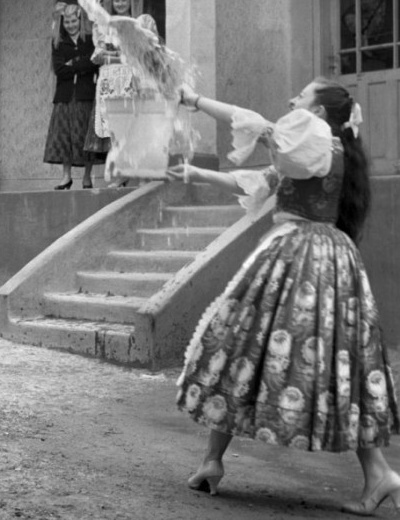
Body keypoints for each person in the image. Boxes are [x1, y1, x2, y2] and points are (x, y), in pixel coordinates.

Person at [168, 78, 400, 515]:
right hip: (326, 258)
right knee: (317, 359)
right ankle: (376, 473)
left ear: (321, 113)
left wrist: (195, 100)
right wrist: (196, 173)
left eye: (303, 96)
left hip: (301, 256)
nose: (293, 99)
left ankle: (214, 459)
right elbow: (259, 181)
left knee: (244, 347)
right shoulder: (319, 152)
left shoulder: (314, 142)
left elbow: (253, 124)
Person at [86, 0, 142, 185]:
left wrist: (119, 56)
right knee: (113, 126)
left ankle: (129, 170)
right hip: (110, 79)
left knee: (128, 124)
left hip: (129, 78)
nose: (120, 2)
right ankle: (119, 171)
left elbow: (137, 53)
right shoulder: (104, 25)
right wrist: (116, 55)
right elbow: (97, 55)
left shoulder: (135, 24)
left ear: (129, 1)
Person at [43, 2, 99, 189]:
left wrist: (73, 63)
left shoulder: (90, 40)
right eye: (66, 21)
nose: (70, 25)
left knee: (86, 136)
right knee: (64, 135)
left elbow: (93, 62)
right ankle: (66, 176)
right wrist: (79, 64)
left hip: (85, 94)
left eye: (73, 21)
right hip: (65, 96)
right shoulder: (58, 42)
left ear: (80, 20)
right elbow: (59, 70)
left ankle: (87, 176)